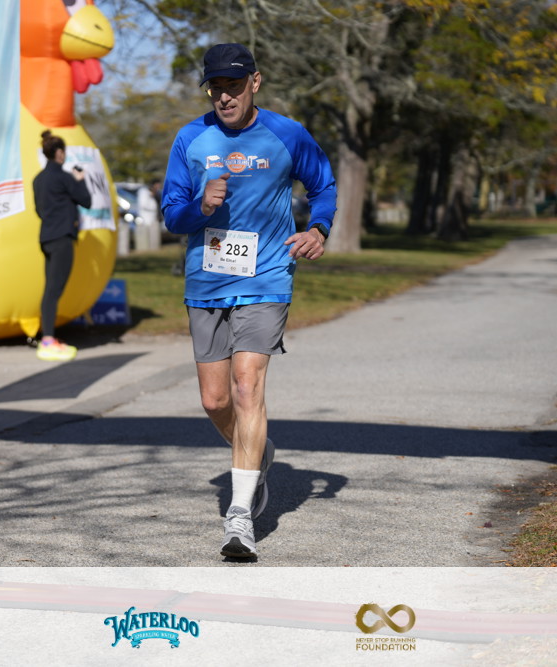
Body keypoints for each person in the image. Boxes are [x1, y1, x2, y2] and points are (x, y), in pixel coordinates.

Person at [162, 43, 337, 559]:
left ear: (255, 83)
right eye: (215, 87)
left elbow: (323, 184)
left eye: (233, 86)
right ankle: (259, 452)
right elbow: (172, 214)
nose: (224, 96)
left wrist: (319, 228)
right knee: (215, 401)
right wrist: (200, 207)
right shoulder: (190, 138)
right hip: (207, 279)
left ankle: (239, 519)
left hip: (267, 275)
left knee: (246, 386)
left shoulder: (287, 133)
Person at [32, 130, 91, 361]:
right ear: (59, 153)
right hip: (62, 238)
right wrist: (80, 180)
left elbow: (39, 210)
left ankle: (47, 337)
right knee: (53, 291)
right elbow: (86, 200)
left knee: (50, 289)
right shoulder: (65, 177)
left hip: (46, 237)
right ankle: (47, 340)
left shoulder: (38, 179)